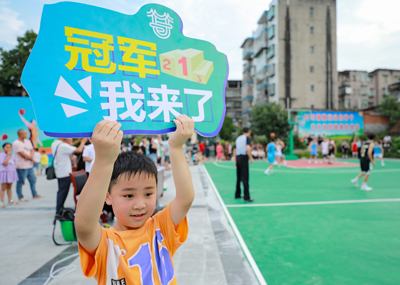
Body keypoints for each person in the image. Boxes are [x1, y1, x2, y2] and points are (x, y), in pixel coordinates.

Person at [75, 116, 195, 284]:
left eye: (148, 194)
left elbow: (185, 199)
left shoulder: (160, 229)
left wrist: (175, 147)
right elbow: (83, 225)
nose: (140, 205)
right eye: (128, 195)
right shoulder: (106, 243)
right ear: (107, 196)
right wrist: (103, 161)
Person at [51, 138, 87, 213]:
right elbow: (79, 150)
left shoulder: (55, 144)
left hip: (60, 171)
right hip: (65, 172)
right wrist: (83, 142)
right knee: (63, 192)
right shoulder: (63, 146)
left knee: (61, 191)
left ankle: (60, 208)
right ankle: (59, 209)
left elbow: (69, 146)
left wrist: (77, 141)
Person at [12, 129, 42, 202]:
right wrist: (32, 159)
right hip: (22, 166)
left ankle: (34, 194)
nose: (27, 134)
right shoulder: (16, 143)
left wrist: (31, 157)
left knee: (33, 180)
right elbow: (23, 154)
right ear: (21, 135)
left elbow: (32, 150)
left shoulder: (28, 141)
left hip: (30, 166)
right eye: (25, 133)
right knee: (21, 182)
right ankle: (20, 196)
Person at [233, 127, 254, 201]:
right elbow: (248, 148)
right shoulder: (247, 138)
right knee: (245, 177)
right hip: (244, 158)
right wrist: (251, 158)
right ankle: (246, 197)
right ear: (249, 131)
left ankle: (237, 194)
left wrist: (235, 160)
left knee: (239, 177)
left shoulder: (238, 138)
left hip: (238, 157)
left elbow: (235, 150)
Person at [0, 143, 19, 207]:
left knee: (9, 187)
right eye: (7, 147)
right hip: (4, 173)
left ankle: (10, 200)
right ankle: (2, 202)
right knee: (3, 188)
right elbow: (5, 163)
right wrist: (8, 156)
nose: (8, 149)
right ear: (3, 148)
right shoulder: (1, 155)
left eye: (10, 147)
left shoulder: (12, 155)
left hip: (11, 172)